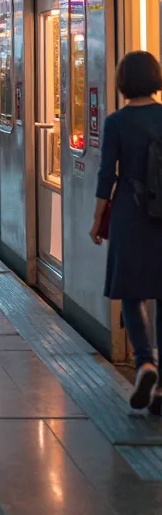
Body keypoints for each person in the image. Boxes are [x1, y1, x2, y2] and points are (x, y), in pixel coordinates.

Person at [90, 50, 162, 412]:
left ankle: (145, 361)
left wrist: (96, 219)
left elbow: (107, 176)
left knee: (132, 293)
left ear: (122, 82)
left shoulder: (116, 122)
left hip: (129, 215)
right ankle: (160, 386)